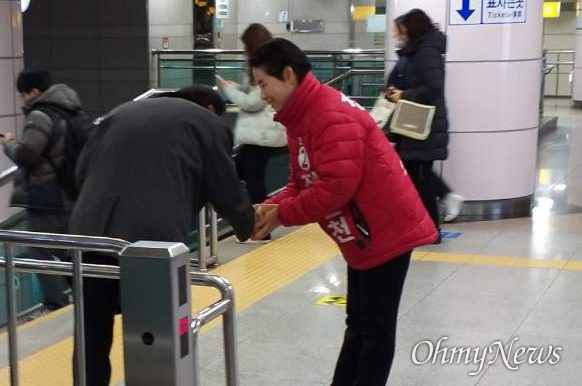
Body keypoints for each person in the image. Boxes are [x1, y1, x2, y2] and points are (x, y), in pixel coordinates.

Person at [248, 38, 437, 386]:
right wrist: (272, 206)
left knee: (375, 329)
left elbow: (335, 188)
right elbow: (302, 180)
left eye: (264, 83)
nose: (262, 95)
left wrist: (281, 216)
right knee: (359, 324)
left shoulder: (328, 115)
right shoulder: (302, 116)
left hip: (385, 230)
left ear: (288, 74)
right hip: (363, 232)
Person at [69, 85, 255, 386]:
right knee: (153, 335)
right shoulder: (206, 123)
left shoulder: (121, 111)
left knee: (91, 337)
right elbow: (226, 186)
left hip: (90, 234)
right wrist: (247, 224)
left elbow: (80, 172)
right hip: (151, 243)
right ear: (209, 107)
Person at [0, 69, 82, 311]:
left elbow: (28, 155)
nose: (23, 99)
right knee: (70, 252)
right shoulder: (72, 110)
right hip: (72, 194)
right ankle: (83, 298)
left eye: (23, 94)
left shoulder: (40, 115)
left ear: (33, 91)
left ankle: (56, 303)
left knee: (39, 251)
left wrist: (8, 144)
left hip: (47, 197)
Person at [385, 9, 464, 231]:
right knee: (417, 173)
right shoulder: (412, 52)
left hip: (422, 125)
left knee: (421, 177)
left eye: (398, 31)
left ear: (411, 29)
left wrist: (404, 95)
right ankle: (442, 201)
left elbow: (433, 87)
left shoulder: (426, 52)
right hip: (409, 124)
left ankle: (431, 229)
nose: (395, 35)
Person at [217, 23, 286, 243]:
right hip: (257, 135)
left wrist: (229, 90)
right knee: (240, 176)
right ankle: (249, 224)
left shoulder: (267, 66)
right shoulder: (264, 65)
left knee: (251, 181)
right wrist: (237, 86)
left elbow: (251, 102)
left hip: (262, 137)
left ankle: (259, 228)